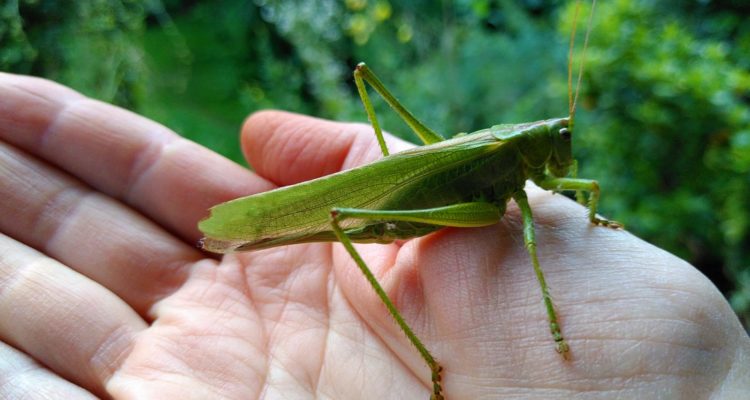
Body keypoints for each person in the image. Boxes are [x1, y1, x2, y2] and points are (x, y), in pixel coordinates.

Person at [0, 71, 748, 399]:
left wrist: (595, 216)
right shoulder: (508, 165)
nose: (566, 159)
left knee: (519, 218)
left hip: (457, 190)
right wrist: (553, 320)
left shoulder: (543, 170)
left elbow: (567, 195)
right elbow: (527, 236)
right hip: (429, 200)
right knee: (484, 227)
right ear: (538, 142)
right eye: (557, 141)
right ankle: (427, 361)